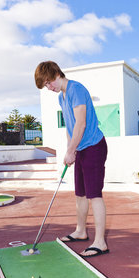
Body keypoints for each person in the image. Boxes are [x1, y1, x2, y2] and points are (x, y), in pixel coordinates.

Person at [34, 61, 109, 257]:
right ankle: (81, 231)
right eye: (46, 86)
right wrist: (70, 150)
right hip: (81, 149)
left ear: (57, 74)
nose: (49, 88)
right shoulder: (62, 97)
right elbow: (70, 127)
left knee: (94, 195)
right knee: (80, 194)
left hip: (93, 146)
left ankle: (100, 242)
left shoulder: (76, 89)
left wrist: (71, 150)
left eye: (49, 82)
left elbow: (81, 124)